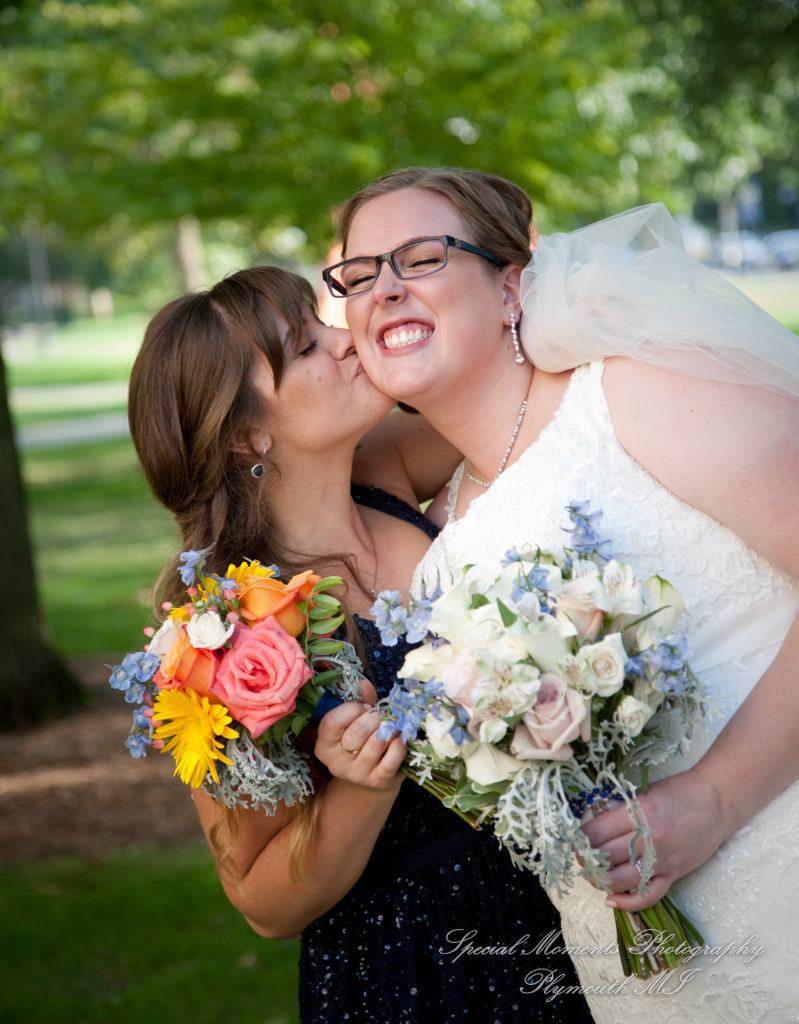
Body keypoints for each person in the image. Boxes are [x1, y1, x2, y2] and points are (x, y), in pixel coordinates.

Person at [326, 166, 799, 1023]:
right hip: (633, 962)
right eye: (359, 275)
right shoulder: (434, 537)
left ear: (511, 287)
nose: (384, 288)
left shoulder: (627, 398)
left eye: (422, 258)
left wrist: (716, 796)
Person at [127, 265, 593, 1023]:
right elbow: (261, 903)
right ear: (248, 431)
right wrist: (360, 790)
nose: (348, 342)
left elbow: (520, 393)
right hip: (417, 961)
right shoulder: (220, 636)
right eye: (309, 345)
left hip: (555, 897)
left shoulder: (380, 471)